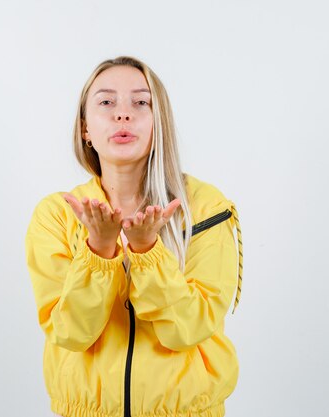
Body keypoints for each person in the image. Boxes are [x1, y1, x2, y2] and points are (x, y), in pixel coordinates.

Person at [24, 56, 243, 417]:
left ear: (160, 123)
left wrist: (147, 251)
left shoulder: (203, 207)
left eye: (141, 102)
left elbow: (188, 329)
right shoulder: (56, 215)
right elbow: (71, 333)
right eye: (106, 102)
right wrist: (99, 250)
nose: (122, 115)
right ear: (85, 130)